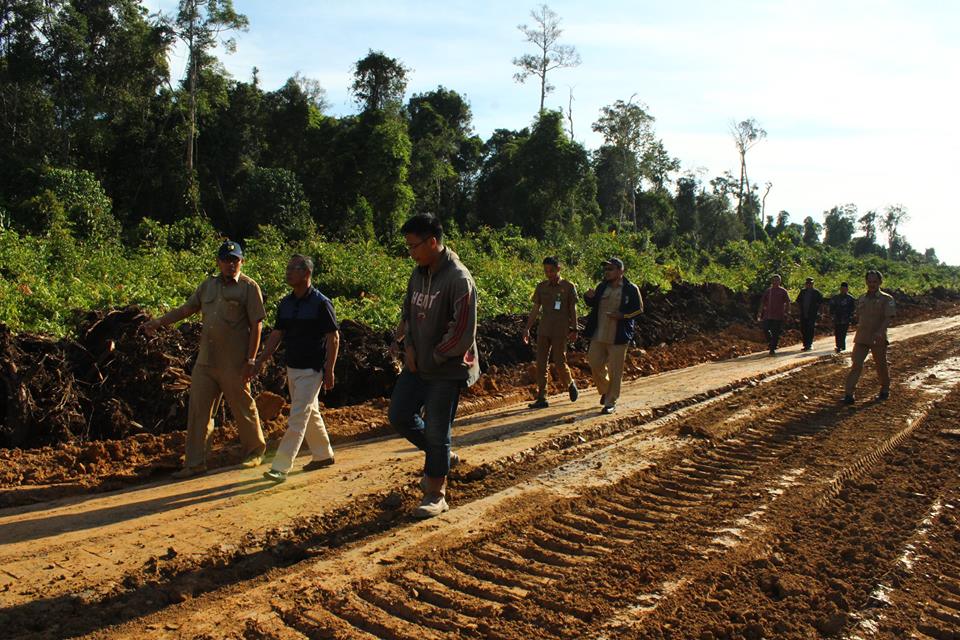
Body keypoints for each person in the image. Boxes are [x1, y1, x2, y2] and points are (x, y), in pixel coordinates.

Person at [143, 240, 267, 478]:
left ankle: (255, 452)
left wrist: (251, 360)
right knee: (199, 411)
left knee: (242, 407)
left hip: (234, 362)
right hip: (206, 361)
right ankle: (195, 462)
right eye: (226, 260)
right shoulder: (207, 286)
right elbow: (186, 309)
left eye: (235, 260)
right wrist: (158, 322)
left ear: (242, 262)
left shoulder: (249, 288)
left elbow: (257, 325)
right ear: (218, 262)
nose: (231, 264)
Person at [388, 214, 480, 519]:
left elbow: (462, 331)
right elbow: (409, 310)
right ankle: (442, 455)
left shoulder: (458, 279)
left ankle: (436, 493)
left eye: (414, 246)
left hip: (447, 368)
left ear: (432, 242)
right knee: (400, 414)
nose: (411, 252)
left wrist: (434, 356)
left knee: (439, 429)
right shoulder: (419, 273)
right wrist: (409, 346)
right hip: (418, 362)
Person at [255, 254, 339, 483]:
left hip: (312, 370)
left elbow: (333, 338)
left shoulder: (321, 303)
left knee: (297, 417)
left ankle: (281, 467)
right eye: (288, 268)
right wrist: (261, 359)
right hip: (293, 367)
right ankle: (323, 455)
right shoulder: (286, 303)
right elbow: (276, 335)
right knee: (309, 412)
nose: (288, 272)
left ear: (307, 273)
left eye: (293, 269)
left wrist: (329, 370)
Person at [583, 257, 643, 415]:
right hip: (599, 332)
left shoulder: (630, 288)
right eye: (606, 269)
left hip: (618, 334)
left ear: (620, 271)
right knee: (593, 361)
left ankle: (610, 401)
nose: (607, 272)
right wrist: (588, 297)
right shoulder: (602, 286)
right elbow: (593, 303)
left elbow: (639, 309)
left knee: (615, 370)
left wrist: (622, 315)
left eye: (610, 269)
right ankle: (605, 389)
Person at [523, 256, 579, 409]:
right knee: (541, 364)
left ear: (559, 269)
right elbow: (535, 309)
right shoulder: (541, 287)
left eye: (552, 270)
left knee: (560, 362)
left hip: (560, 331)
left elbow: (572, 309)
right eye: (546, 271)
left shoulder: (568, 286)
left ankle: (570, 383)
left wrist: (575, 328)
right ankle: (542, 397)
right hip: (544, 330)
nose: (549, 274)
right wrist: (527, 328)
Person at [844, 270, 895, 404]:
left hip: (877, 337)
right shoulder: (862, 298)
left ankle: (885, 389)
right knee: (856, 364)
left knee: (881, 365)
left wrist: (880, 331)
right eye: (870, 281)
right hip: (862, 337)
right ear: (866, 282)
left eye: (875, 282)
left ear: (880, 282)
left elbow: (888, 318)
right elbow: (858, 315)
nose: (872, 284)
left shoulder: (887, 299)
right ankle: (849, 394)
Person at [758, 274, 790, 355]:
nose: (775, 282)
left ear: (780, 281)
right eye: (774, 280)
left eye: (777, 280)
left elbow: (788, 302)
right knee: (765, 329)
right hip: (768, 314)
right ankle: (771, 342)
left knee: (775, 332)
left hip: (778, 315)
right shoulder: (768, 291)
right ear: (772, 281)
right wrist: (760, 312)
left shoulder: (783, 291)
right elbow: (762, 302)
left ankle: (772, 348)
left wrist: (787, 312)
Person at [795, 277, 824, 351]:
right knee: (803, 329)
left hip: (812, 314)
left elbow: (821, 303)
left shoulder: (816, 292)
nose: (809, 285)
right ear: (805, 284)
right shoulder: (803, 292)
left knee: (810, 328)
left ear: (813, 284)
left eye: (810, 283)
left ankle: (809, 344)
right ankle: (805, 344)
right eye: (807, 283)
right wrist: (798, 311)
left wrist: (821, 313)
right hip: (803, 313)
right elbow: (798, 302)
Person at [829, 281, 856, 353]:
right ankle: (838, 346)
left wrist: (851, 316)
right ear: (840, 289)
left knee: (843, 332)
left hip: (846, 318)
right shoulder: (836, 298)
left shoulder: (850, 298)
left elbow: (853, 308)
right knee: (837, 332)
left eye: (845, 289)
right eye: (842, 289)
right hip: (837, 318)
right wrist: (832, 314)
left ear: (847, 289)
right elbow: (831, 307)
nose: (843, 290)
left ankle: (842, 346)